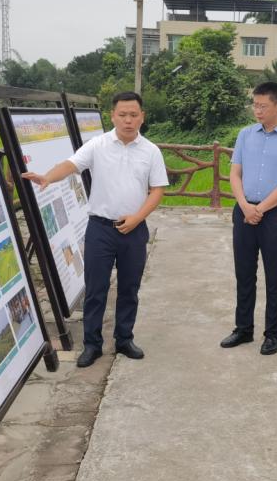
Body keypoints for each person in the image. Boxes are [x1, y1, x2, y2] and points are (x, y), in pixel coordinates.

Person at [22, 91, 168, 367]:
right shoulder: (98, 145)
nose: (128, 120)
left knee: (129, 289)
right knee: (96, 289)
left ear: (142, 117)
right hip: (100, 229)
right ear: (112, 116)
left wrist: (137, 218)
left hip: (134, 230)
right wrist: (47, 177)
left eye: (133, 115)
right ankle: (92, 344)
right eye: (122, 114)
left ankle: (124, 339)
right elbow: (71, 164)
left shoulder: (151, 151)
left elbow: (157, 190)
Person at [219, 82, 277, 355]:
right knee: (244, 273)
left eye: (262, 106)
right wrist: (244, 205)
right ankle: (243, 329)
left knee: (274, 275)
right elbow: (235, 173)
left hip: (274, 214)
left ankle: (273, 334)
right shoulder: (245, 135)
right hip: (244, 211)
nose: (257, 110)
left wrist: (261, 209)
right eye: (254, 105)